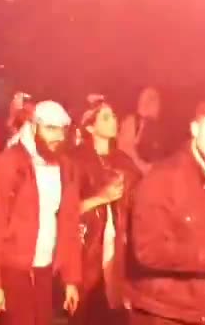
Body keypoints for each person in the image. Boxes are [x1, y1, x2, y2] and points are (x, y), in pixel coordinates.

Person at [127, 98, 205, 325]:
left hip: (204, 312)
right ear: (194, 129)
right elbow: (147, 251)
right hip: (164, 314)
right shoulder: (162, 178)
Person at [0, 100, 82, 325]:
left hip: (46, 272)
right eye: (50, 129)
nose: (58, 137)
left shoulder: (66, 168)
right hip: (12, 270)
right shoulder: (6, 165)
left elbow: (69, 225)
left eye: (62, 129)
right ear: (34, 127)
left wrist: (71, 279)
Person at [71, 95, 141, 325]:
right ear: (90, 126)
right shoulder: (75, 160)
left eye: (114, 116)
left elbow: (139, 201)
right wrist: (101, 198)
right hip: (86, 250)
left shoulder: (123, 161)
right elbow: (64, 211)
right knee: (84, 312)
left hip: (117, 250)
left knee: (113, 312)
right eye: (106, 117)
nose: (114, 121)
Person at [118, 87, 164, 174]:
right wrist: (141, 166)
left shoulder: (154, 126)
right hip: (131, 173)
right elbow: (125, 148)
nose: (158, 106)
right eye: (154, 100)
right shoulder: (132, 121)